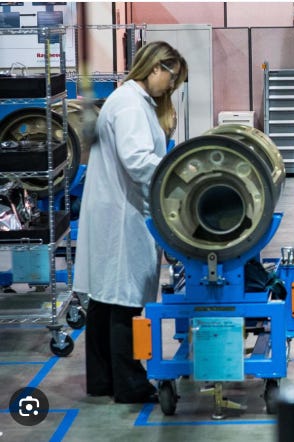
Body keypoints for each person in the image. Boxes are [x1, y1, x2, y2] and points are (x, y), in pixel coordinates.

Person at [73, 41, 188, 403]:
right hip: (122, 214)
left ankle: (102, 380)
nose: (171, 86)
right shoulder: (131, 106)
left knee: (104, 298)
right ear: (155, 68)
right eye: (171, 77)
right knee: (124, 300)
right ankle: (130, 384)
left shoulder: (129, 100)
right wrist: (177, 177)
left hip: (113, 210)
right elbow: (138, 161)